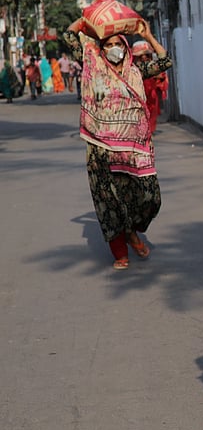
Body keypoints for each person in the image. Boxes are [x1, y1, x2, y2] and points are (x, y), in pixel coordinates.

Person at [63, 16, 174, 269]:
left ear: (125, 46)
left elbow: (166, 62)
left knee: (149, 197)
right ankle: (120, 251)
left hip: (133, 148)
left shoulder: (136, 70)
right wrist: (85, 20)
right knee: (108, 201)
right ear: (101, 49)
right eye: (109, 45)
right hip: (100, 146)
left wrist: (147, 36)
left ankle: (133, 231)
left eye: (119, 44)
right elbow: (69, 37)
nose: (115, 49)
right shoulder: (94, 66)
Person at [132, 39, 168, 134]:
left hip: (151, 97)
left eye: (147, 55)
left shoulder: (154, 67)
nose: (144, 58)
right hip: (137, 98)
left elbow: (162, 78)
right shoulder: (130, 69)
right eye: (141, 56)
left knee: (152, 117)